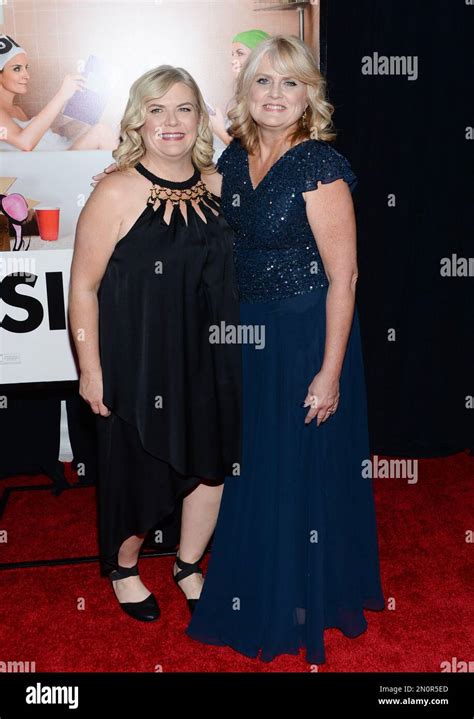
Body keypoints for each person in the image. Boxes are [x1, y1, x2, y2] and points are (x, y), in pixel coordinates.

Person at [186, 35, 385, 664]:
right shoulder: (236, 157)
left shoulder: (318, 167)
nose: (276, 95)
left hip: (305, 339)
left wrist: (329, 373)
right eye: (264, 82)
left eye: (290, 83)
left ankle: (300, 599)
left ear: (310, 95)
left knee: (295, 467)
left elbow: (344, 278)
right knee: (253, 465)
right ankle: (253, 583)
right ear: (247, 91)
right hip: (248, 336)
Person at [68, 64, 241, 622]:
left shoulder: (222, 183)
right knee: (138, 467)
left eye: (184, 108)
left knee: (211, 465)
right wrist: (90, 369)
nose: (171, 121)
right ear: (137, 119)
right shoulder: (115, 190)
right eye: (156, 109)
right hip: (138, 361)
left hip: (212, 358)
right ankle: (124, 567)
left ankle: (189, 565)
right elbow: (84, 287)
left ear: (200, 118)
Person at [0, 33, 117, 151]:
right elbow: (25, 143)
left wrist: (79, 119)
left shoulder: (17, 110)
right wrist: (62, 94)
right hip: (57, 164)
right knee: (101, 131)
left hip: (61, 155)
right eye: (17, 69)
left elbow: (43, 141)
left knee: (101, 127)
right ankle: (131, 170)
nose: (26, 75)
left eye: (26, 68)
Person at [209, 29, 270, 148]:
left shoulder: (267, 96)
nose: (233, 60)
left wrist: (220, 131)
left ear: (259, 57)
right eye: (232, 55)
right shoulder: (248, 93)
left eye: (240, 53)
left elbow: (255, 158)